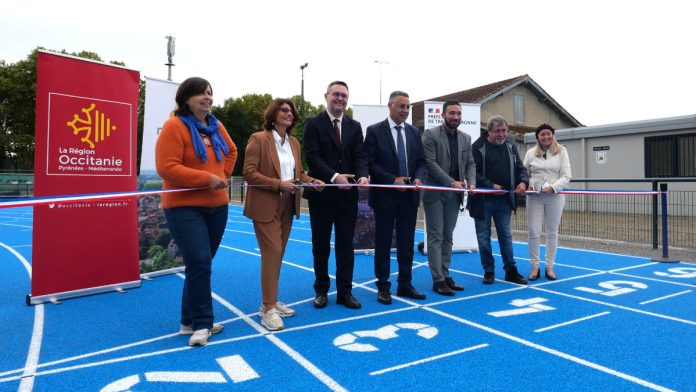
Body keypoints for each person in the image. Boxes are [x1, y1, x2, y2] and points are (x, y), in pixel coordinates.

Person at [155, 77, 237, 346]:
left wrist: (220, 174)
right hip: (184, 208)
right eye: (201, 93)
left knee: (200, 265)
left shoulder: (216, 126)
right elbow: (167, 167)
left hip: (217, 207)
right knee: (200, 263)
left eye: (210, 93)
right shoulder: (174, 126)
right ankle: (203, 323)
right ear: (185, 98)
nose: (207, 97)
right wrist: (206, 179)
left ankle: (187, 322)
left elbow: (232, 151)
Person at [244, 98, 325, 331]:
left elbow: (298, 172)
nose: (289, 113)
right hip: (266, 204)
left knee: (277, 255)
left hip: (288, 205)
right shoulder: (259, 139)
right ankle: (268, 308)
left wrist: (311, 181)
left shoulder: (294, 143)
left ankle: (271, 300)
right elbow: (249, 173)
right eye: (284, 110)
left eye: (291, 111)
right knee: (273, 252)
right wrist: (278, 184)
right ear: (273, 114)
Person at [303, 81, 369, 309]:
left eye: (344, 95)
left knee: (345, 246)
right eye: (336, 95)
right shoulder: (313, 123)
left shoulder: (354, 125)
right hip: (322, 195)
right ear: (326, 96)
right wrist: (334, 177)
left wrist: (362, 176)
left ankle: (345, 292)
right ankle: (321, 290)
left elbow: (360, 156)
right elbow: (312, 157)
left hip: (347, 197)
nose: (340, 99)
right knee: (320, 246)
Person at [364, 91, 427, 304]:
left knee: (406, 242)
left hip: (409, 196)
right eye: (402, 106)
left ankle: (405, 283)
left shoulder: (414, 132)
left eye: (408, 107)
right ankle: (383, 286)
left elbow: (421, 162)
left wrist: (417, 178)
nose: (406, 111)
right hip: (385, 197)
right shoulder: (374, 131)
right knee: (383, 242)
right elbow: (370, 162)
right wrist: (393, 180)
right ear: (390, 106)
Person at [422, 100, 476, 296]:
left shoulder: (466, 138)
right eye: (452, 113)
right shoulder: (430, 134)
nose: (455, 117)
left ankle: (445, 274)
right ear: (443, 115)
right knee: (435, 237)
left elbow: (470, 163)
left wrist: (471, 182)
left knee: (448, 236)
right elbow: (430, 163)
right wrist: (452, 182)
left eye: (458, 114)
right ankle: (437, 280)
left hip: (455, 195)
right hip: (435, 193)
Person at [467, 115, 528, 286]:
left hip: (504, 201)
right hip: (482, 200)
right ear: (489, 131)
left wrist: (523, 182)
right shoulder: (477, 147)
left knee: (506, 236)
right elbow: (472, 173)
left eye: (504, 131)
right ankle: (489, 271)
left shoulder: (511, 145)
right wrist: (490, 185)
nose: (501, 134)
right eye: (497, 131)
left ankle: (511, 270)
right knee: (483, 237)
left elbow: (520, 168)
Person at [523, 123, 571, 281]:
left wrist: (553, 187)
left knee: (552, 233)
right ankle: (534, 267)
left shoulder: (562, 152)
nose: (546, 137)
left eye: (548, 134)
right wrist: (529, 185)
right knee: (533, 232)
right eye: (542, 134)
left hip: (555, 197)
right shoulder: (530, 153)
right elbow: (523, 174)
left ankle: (550, 267)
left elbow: (566, 176)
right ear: (538, 137)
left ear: (553, 135)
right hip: (535, 197)